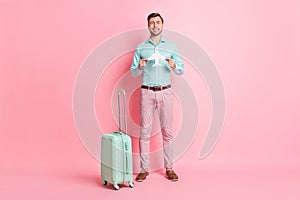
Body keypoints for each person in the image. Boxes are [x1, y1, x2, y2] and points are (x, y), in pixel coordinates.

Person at [130, 13, 184, 182]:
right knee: (144, 132)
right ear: (148, 26)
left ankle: (169, 168)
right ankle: (144, 169)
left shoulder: (172, 47)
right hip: (146, 92)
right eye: (152, 22)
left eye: (157, 22)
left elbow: (181, 70)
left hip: (165, 92)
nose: (155, 25)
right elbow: (133, 73)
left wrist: (175, 65)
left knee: (167, 132)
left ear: (162, 25)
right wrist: (139, 66)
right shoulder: (141, 47)